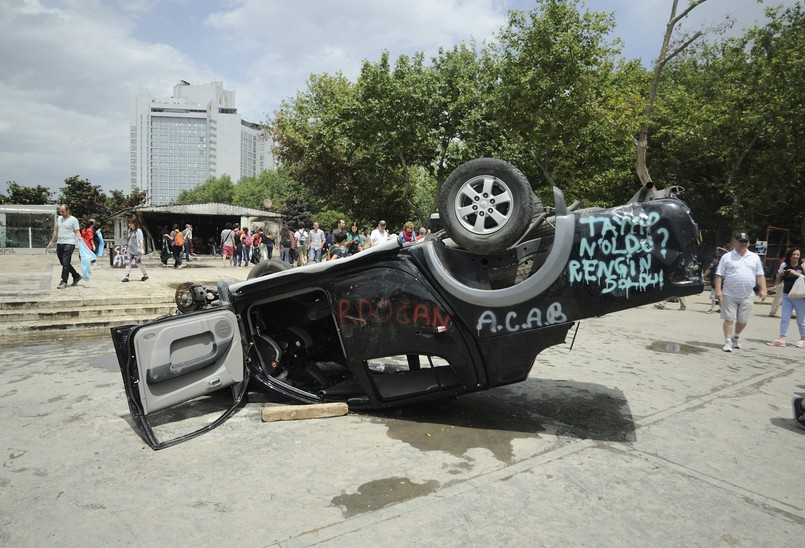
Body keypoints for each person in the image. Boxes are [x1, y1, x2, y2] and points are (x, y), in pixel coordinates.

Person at [714, 232, 767, 352]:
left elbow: (760, 275)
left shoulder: (754, 257)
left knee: (743, 320)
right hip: (729, 293)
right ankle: (727, 341)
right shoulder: (727, 257)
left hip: (747, 294)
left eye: (745, 241)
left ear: (748, 243)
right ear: (735, 242)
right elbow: (719, 275)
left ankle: (735, 337)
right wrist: (718, 291)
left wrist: (763, 289)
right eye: (740, 241)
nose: (743, 244)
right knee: (729, 318)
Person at [766, 247, 805, 348]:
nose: (796, 257)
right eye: (794, 254)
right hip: (786, 295)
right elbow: (778, 281)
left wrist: (796, 273)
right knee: (785, 318)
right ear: (790, 255)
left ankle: (803, 339)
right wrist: (781, 275)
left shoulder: (802, 267)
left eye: (798, 255)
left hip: (799, 296)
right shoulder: (785, 266)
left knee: (801, 319)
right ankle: (782, 339)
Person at [46, 204, 82, 289]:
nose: (61, 213)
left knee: (66, 262)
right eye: (60, 211)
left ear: (68, 210)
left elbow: (77, 232)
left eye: (63, 211)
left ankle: (64, 281)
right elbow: (56, 230)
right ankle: (76, 276)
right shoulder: (59, 219)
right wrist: (52, 241)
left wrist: (81, 240)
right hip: (60, 243)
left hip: (69, 243)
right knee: (63, 263)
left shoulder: (74, 220)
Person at [122, 217, 148, 282]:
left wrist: (141, 249)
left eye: (131, 223)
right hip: (130, 250)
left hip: (137, 251)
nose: (129, 225)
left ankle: (145, 275)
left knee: (138, 263)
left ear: (134, 223)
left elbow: (141, 240)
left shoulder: (138, 231)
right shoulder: (129, 231)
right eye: (129, 223)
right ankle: (126, 277)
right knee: (128, 263)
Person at [703, 247, 728, 313]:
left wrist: (703, 276)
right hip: (723, 281)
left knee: (714, 295)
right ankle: (722, 308)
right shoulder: (724, 263)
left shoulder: (715, 262)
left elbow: (709, 269)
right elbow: (728, 252)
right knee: (720, 296)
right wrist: (722, 249)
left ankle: (712, 308)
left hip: (715, 281)